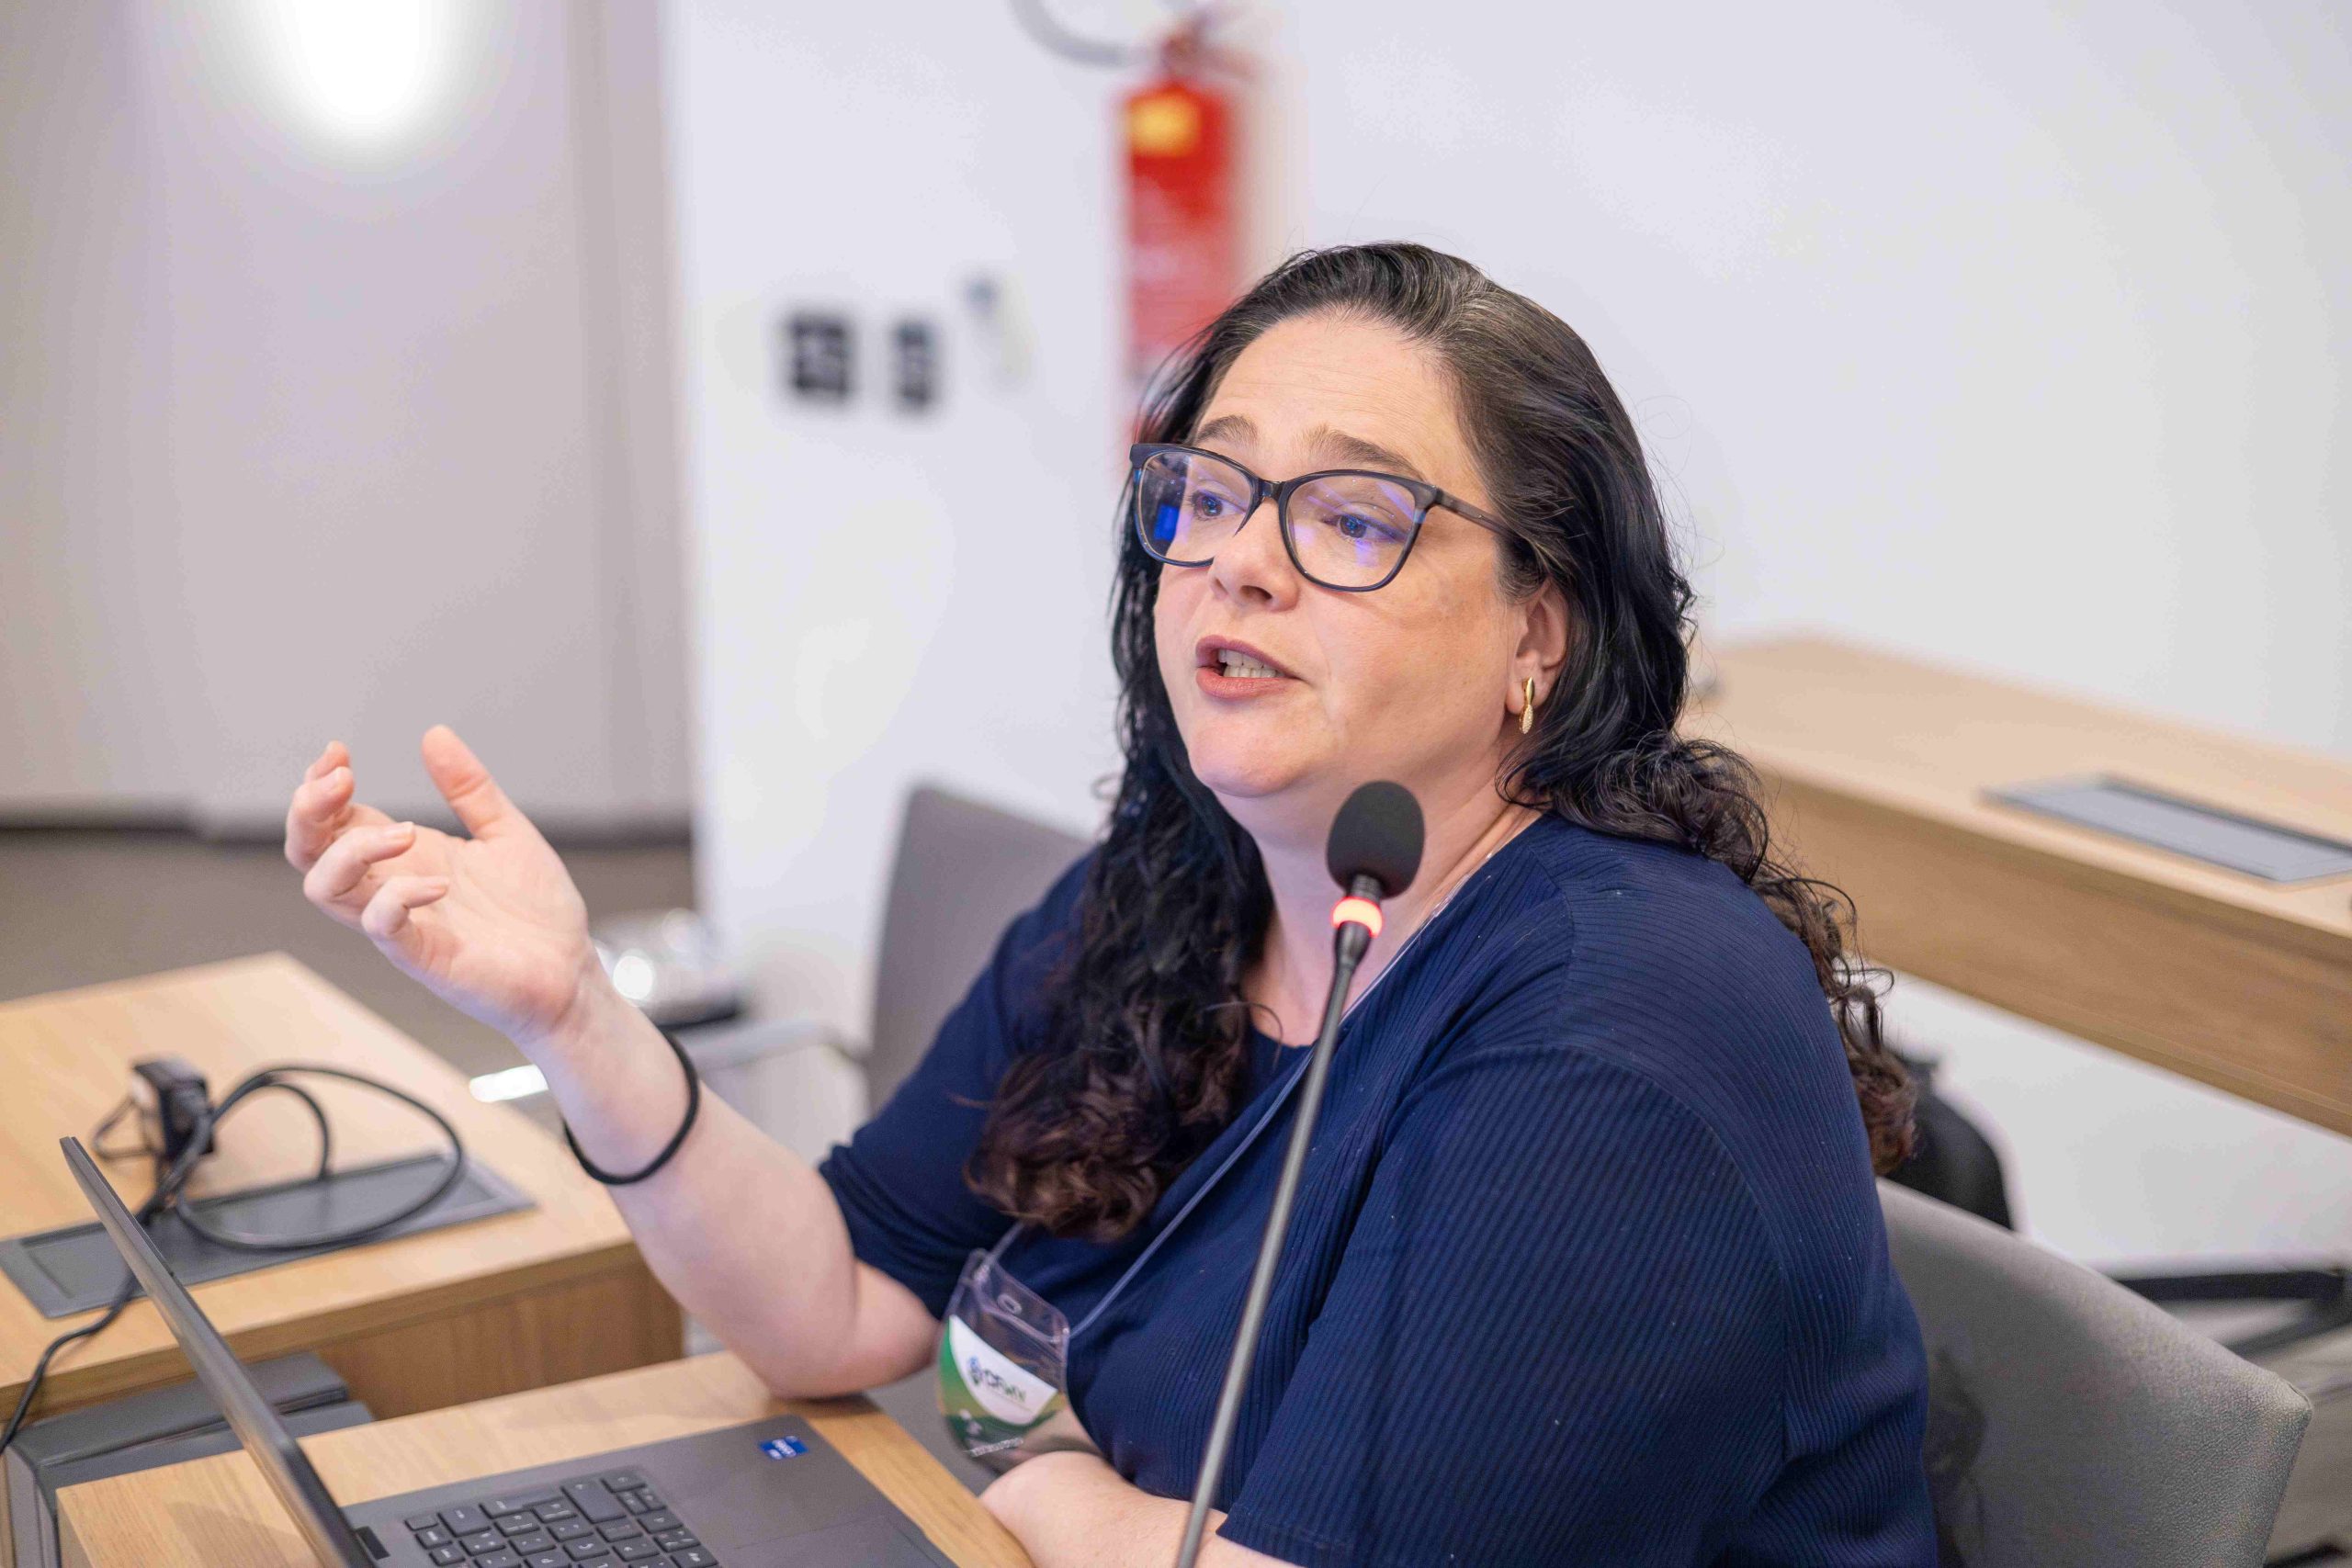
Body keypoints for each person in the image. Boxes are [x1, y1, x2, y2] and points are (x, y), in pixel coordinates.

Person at [286, 242, 1936, 1566]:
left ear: (1539, 636)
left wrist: (1048, 1494)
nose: (1241, 562)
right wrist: (574, 1013)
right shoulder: (1172, 902)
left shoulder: (1625, 1020)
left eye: (1352, 517)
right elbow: (840, 1298)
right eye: (1208, 496)